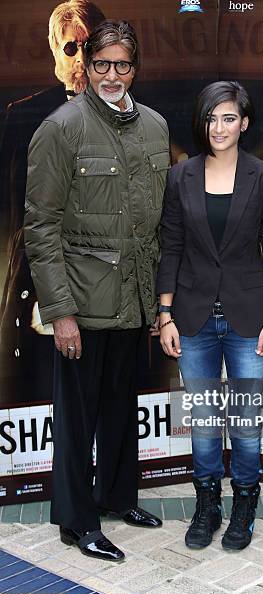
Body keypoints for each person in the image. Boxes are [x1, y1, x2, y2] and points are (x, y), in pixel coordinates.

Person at [24, 20, 170, 562]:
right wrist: (60, 312)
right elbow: (41, 228)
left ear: (135, 68)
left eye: (123, 65)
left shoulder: (154, 127)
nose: (112, 75)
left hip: (133, 300)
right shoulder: (61, 128)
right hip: (81, 303)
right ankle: (76, 520)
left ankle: (116, 496)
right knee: (77, 414)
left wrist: (159, 305)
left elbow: (159, 225)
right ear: (85, 66)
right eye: (102, 64)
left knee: (120, 406)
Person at [157, 81, 263, 551]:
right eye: (211, 118)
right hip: (192, 319)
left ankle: (245, 504)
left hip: (249, 317)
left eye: (228, 117)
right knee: (207, 420)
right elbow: (170, 247)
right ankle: (208, 505)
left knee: (247, 423)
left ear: (245, 123)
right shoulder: (180, 177)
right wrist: (165, 314)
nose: (219, 127)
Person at [0, 0, 106, 404]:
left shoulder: (133, 115)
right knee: (39, 399)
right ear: (54, 51)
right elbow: (16, 219)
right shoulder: (23, 116)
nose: (80, 58)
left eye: (89, 46)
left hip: (107, 291)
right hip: (40, 294)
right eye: (69, 48)